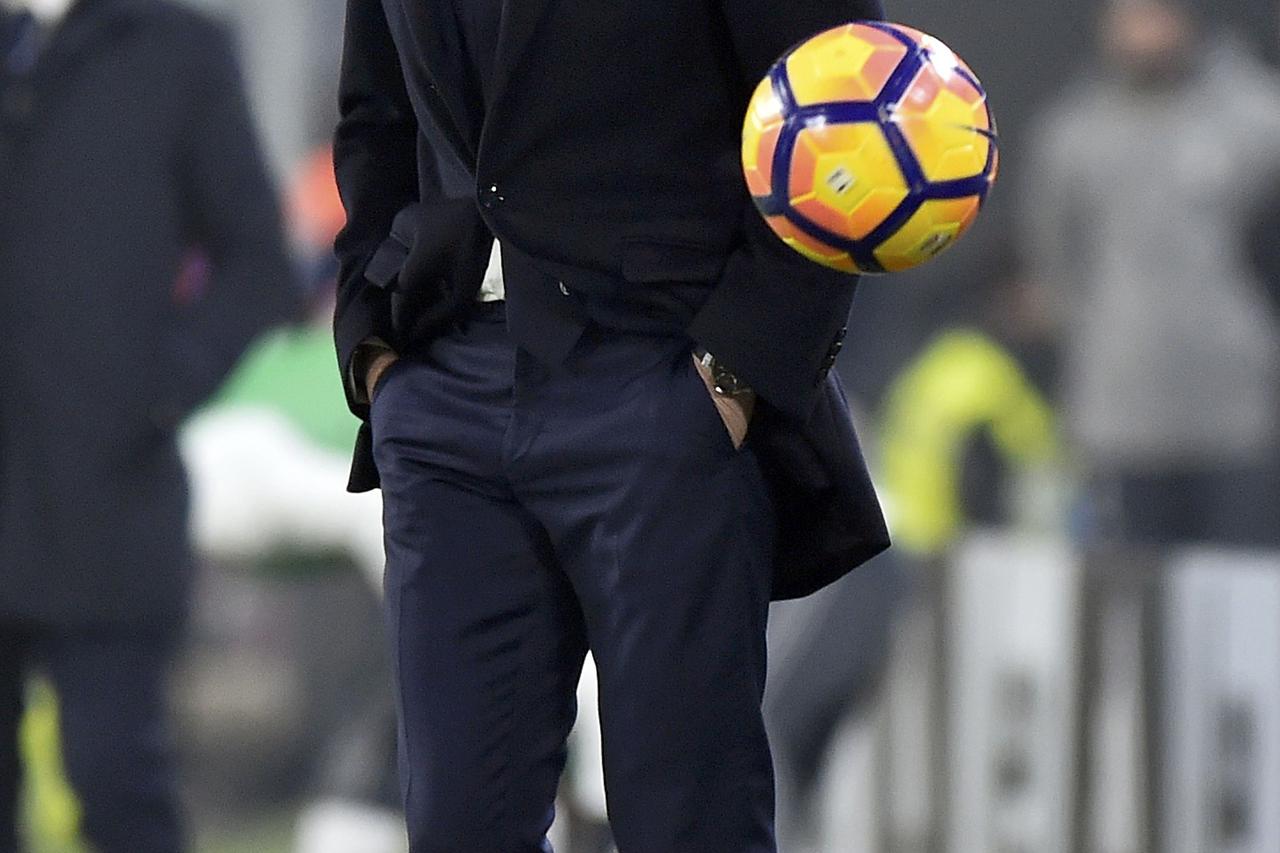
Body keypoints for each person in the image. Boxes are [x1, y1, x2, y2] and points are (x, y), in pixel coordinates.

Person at [333, 0, 891, 850]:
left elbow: (847, 112)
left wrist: (734, 369)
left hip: (662, 382)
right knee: (456, 829)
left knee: (685, 825)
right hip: (442, 392)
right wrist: (372, 341)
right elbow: (375, 110)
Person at [0, 0, 294, 849]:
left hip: (109, 499)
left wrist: (152, 388)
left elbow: (259, 266)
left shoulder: (175, 52)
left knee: (117, 780)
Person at [1023, 0, 1280, 549]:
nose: (1141, 29)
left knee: (1239, 593)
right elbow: (1054, 259)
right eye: (1126, 13)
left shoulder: (1260, 120)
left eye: (1155, 13)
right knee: (1129, 601)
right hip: (1118, 416)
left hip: (1237, 413)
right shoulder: (1074, 136)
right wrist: (1097, 337)